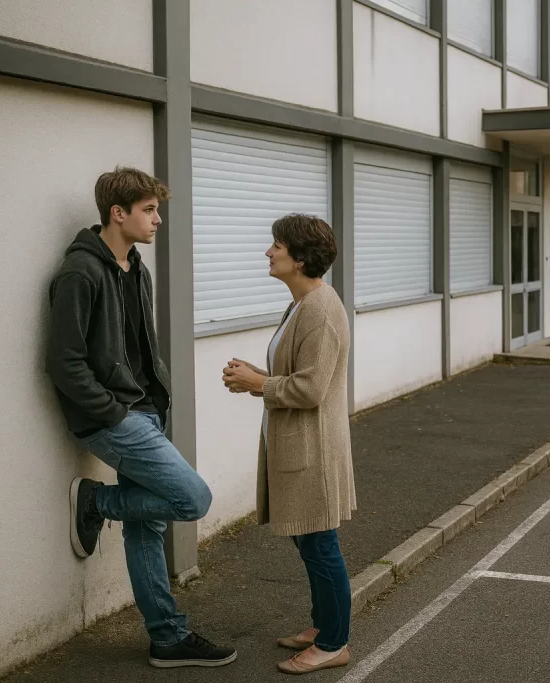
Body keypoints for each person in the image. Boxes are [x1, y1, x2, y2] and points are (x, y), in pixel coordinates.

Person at [46, 166, 236, 668]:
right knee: (192, 497)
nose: (157, 220)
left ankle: (167, 636)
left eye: (156, 210)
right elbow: (64, 361)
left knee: (148, 526)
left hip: (148, 409)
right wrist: (110, 412)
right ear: (118, 213)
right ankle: (97, 501)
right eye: (149, 210)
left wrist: (156, 396)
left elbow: (139, 347)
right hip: (114, 417)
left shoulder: (136, 268)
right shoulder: (79, 273)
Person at [221, 213, 356, 675]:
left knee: (320, 544)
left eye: (276, 245)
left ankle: (335, 642)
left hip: (313, 450)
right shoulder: (303, 303)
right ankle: (324, 626)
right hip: (301, 445)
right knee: (309, 542)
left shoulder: (320, 310)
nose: (268, 252)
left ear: (299, 259)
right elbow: (296, 376)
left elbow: (312, 388)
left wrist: (258, 384)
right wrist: (257, 377)